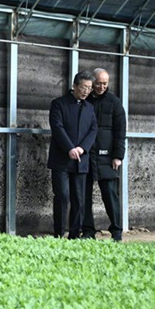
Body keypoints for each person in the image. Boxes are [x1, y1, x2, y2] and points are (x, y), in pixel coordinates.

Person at [48, 70, 98, 239]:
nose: (86, 91)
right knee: (62, 195)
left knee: (79, 198)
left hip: (81, 160)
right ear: (74, 86)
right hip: (61, 159)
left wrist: (82, 148)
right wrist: (70, 148)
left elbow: (93, 130)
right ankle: (59, 233)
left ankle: (75, 235)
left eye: (89, 88)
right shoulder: (59, 104)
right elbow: (57, 127)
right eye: (83, 87)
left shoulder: (90, 108)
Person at [82, 68, 127, 241]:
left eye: (105, 83)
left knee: (110, 195)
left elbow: (120, 130)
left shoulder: (114, 102)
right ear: (92, 82)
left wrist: (118, 156)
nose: (101, 87)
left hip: (107, 157)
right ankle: (87, 231)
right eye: (98, 83)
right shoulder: (85, 100)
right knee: (84, 195)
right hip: (86, 154)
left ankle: (116, 232)